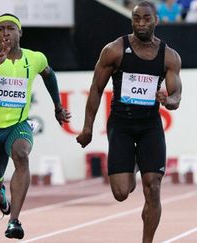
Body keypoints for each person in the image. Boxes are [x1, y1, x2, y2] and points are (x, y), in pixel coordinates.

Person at [76, 2, 182, 243]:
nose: (141, 24)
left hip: (150, 126)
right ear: (131, 20)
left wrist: (169, 100)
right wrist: (87, 128)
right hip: (121, 125)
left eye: (146, 19)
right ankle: (134, 162)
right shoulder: (114, 50)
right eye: (136, 19)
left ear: (156, 19)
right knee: (121, 193)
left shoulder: (169, 56)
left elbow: (176, 96)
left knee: (153, 187)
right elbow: (96, 89)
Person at [0, 13, 71, 239]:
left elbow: (48, 75)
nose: (5, 33)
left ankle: (14, 221)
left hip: (18, 126)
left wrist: (57, 106)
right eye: (0, 29)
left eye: (10, 28)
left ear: (20, 32)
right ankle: (0, 197)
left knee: (21, 155)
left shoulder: (34, 58)